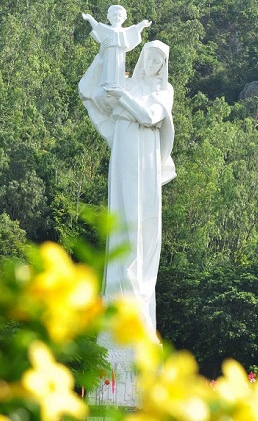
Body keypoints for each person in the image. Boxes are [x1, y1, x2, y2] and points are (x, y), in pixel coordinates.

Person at [79, 39, 176, 343]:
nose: (152, 63)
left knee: (142, 222)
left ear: (164, 66)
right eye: (150, 56)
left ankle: (138, 301)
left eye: (159, 60)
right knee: (123, 217)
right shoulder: (127, 83)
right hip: (124, 152)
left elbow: (150, 117)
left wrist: (124, 100)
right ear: (142, 56)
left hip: (146, 155)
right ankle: (119, 296)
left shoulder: (163, 91)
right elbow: (88, 90)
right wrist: (105, 51)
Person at [81, 5, 151, 89]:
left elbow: (134, 31)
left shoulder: (124, 31)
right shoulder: (106, 29)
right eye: (114, 15)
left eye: (120, 15)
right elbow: (97, 27)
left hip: (120, 55)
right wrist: (90, 19)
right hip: (108, 54)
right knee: (109, 69)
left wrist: (142, 24)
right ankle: (107, 84)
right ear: (108, 17)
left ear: (124, 18)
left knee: (119, 68)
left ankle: (119, 85)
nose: (117, 17)